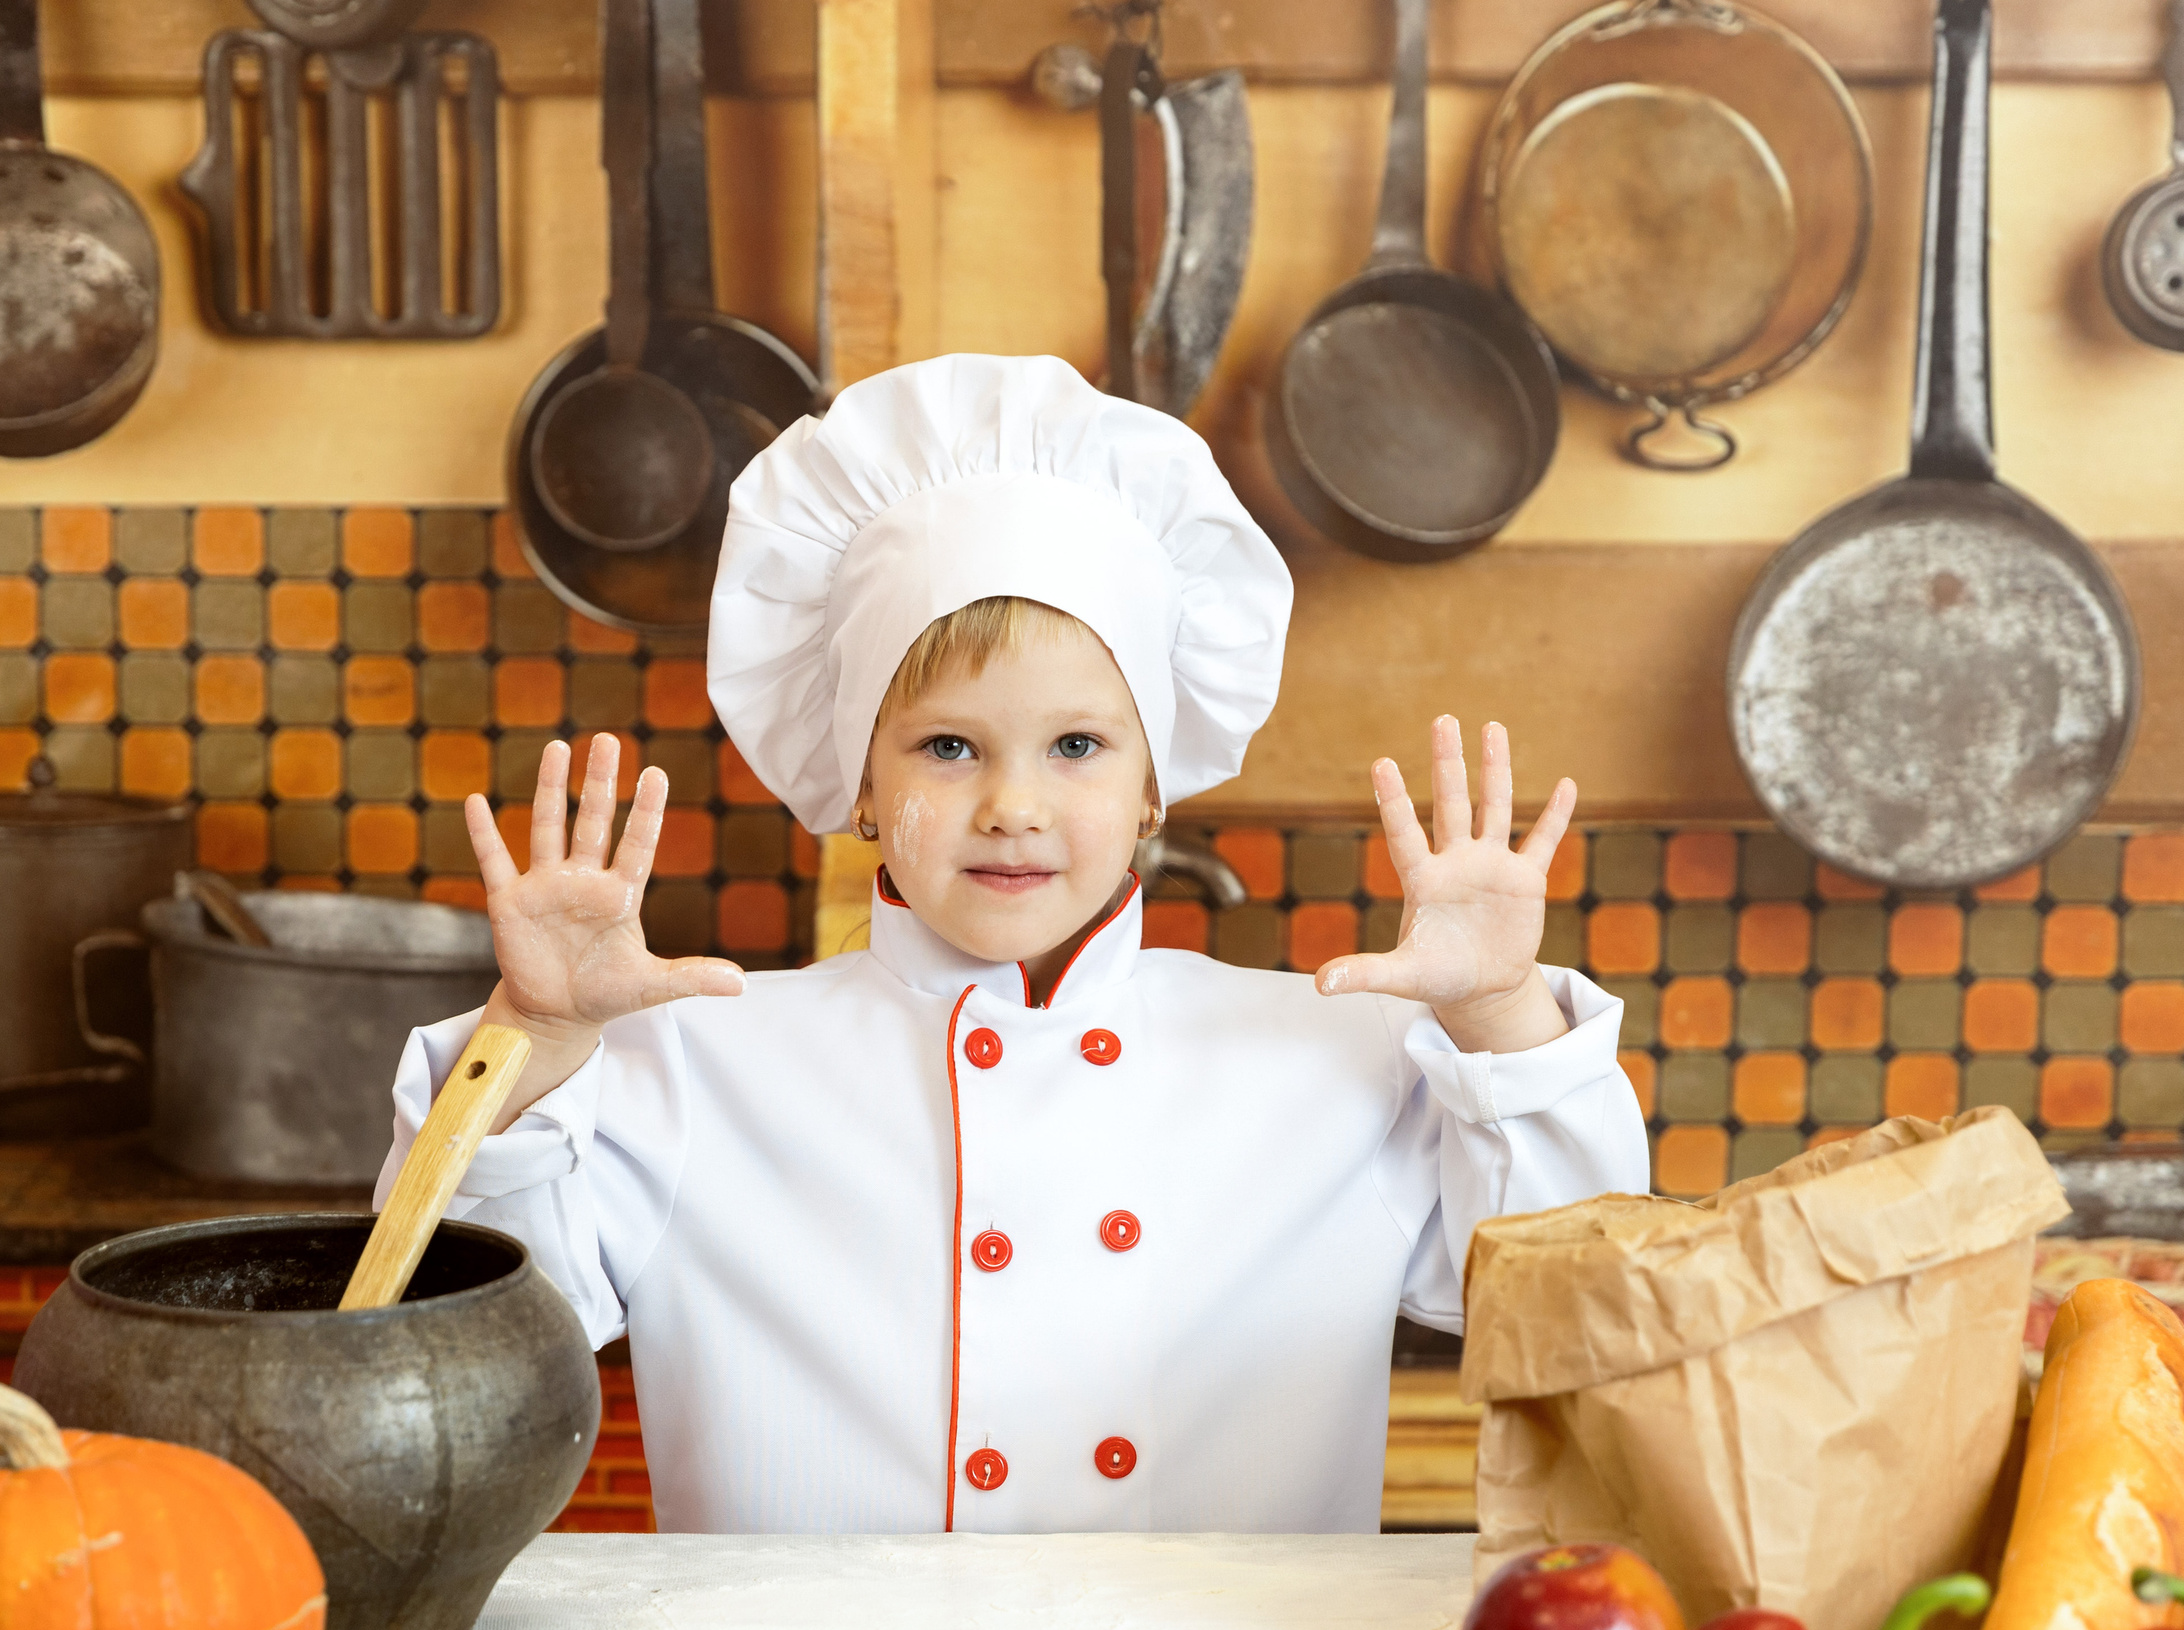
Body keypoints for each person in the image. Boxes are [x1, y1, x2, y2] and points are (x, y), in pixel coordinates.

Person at [378, 354, 1647, 1534]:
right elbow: (448, 1347)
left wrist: (1502, 1014)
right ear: (857, 781)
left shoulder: (1336, 1057)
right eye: (947, 746)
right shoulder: (693, 1061)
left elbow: (1592, 1317)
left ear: (1157, 782)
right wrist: (531, 1039)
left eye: (1078, 746)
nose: (1014, 805)